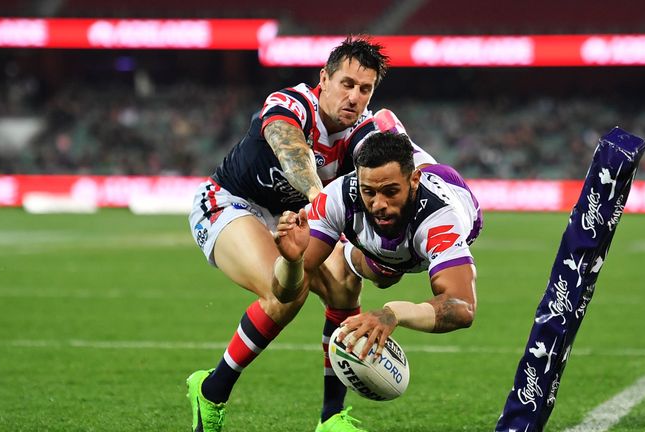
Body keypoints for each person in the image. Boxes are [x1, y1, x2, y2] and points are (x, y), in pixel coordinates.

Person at [185, 36, 393, 432]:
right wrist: (317, 195)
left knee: (346, 284)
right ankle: (211, 391)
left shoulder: (365, 132)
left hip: (295, 217)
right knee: (285, 289)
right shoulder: (290, 104)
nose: (354, 97)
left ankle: (331, 419)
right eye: (346, 84)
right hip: (230, 203)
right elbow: (291, 151)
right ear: (324, 80)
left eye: (364, 89)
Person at [273, 131, 483, 428]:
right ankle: (361, 259)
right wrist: (291, 261)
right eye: (369, 192)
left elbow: (462, 307)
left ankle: (382, 121)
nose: (378, 203)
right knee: (379, 274)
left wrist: (393, 313)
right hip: (383, 253)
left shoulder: (440, 219)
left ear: (413, 182)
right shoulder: (340, 195)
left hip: (449, 200)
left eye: (390, 191)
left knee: (384, 275)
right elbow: (283, 293)